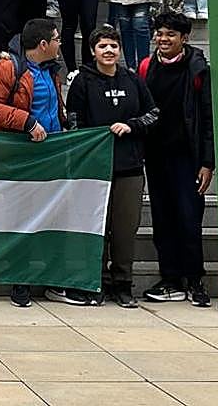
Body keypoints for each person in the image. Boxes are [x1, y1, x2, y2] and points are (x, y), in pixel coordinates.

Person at [64, 25, 158, 307]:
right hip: (95, 169)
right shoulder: (82, 81)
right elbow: (74, 122)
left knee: (124, 230)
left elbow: (153, 114)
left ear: (119, 50)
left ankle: (123, 284)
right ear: (92, 51)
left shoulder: (133, 80)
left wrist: (130, 126)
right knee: (98, 228)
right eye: (103, 46)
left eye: (113, 46)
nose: (109, 51)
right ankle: (96, 282)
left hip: (129, 167)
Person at [0, 17, 64, 307]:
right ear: (43, 44)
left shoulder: (52, 71)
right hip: (19, 158)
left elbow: (53, 107)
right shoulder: (7, 69)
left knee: (50, 216)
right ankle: (20, 280)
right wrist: (27, 122)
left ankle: (53, 277)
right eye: (56, 38)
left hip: (50, 156)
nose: (60, 43)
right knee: (21, 218)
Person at [138, 12, 215, 307]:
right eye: (159, 33)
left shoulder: (198, 69)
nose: (163, 39)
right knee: (162, 218)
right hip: (156, 156)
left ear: (184, 38)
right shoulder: (146, 67)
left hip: (188, 158)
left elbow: (207, 118)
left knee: (188, 218)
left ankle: (195, 280)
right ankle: (170, 278)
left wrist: (207, 163)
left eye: (170, 34)